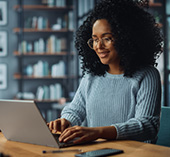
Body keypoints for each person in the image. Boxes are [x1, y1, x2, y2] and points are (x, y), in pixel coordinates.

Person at [48, 0, 163, 144]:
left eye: (106, 38)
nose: (98, 46)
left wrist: (97, 132)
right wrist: (65, 121)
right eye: (95, 40)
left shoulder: (147, 75)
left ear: (126, 38)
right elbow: (75, 110)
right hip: (98, 151)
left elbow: (147, 125)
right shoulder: (91, 77)